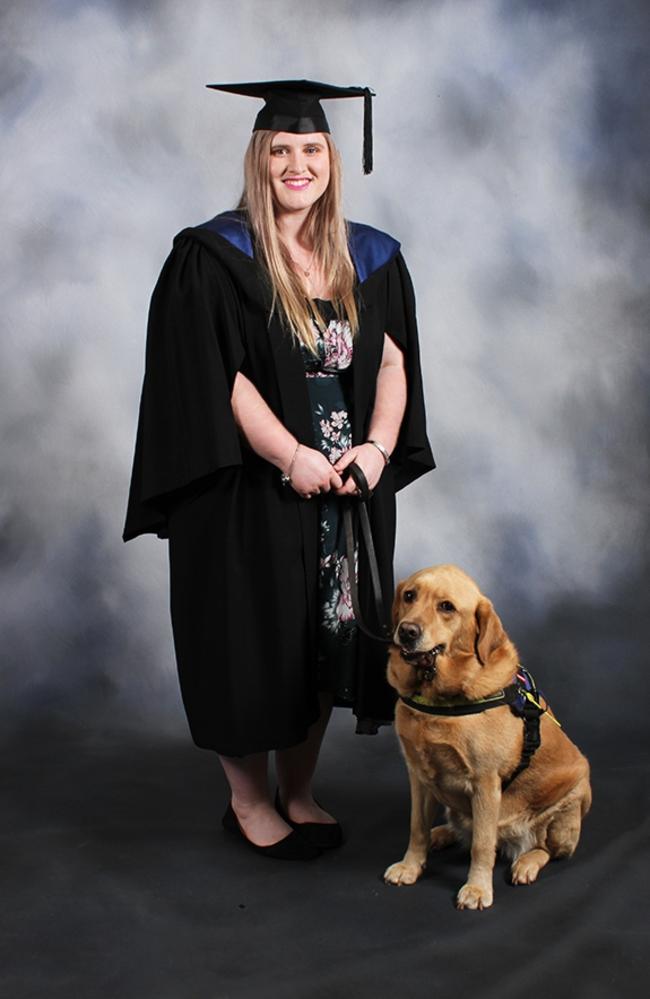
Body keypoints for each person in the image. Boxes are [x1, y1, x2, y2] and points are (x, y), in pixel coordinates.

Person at [122, 79, 435, 860]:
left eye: (311, 150)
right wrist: (289, 453)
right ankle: (251, 800)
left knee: (328, 632)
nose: (298, 164)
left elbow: (392, 360)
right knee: (250, 635)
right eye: (281, 150)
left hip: (348, 490)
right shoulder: (215, 255)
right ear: (259, 159)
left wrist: (377, 448)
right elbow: (214, 375)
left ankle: (299, 789)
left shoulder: (369, 256)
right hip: (250, 483)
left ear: (332, 158)